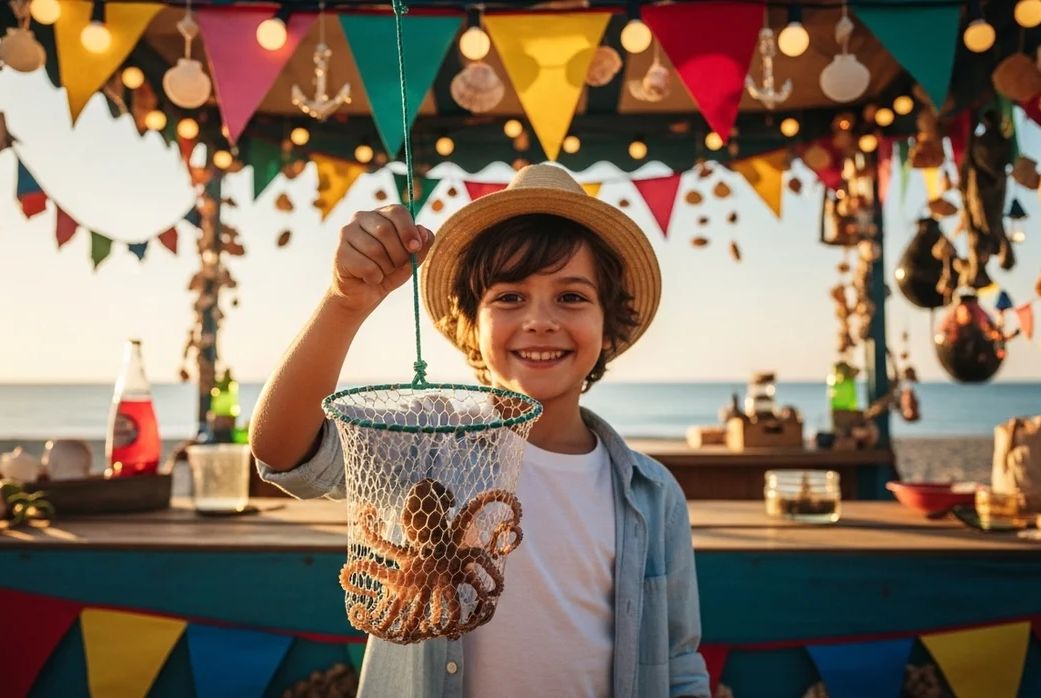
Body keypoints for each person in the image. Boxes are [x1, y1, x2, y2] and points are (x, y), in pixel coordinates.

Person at [250, 163, 710, 698]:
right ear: (470, 324)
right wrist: (345, 301)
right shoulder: (426, 445)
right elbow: (282, 450)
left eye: (572, 297)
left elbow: (678, 661)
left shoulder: (655, 496)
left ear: (608, 327)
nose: (540, 320)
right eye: (510, 297)